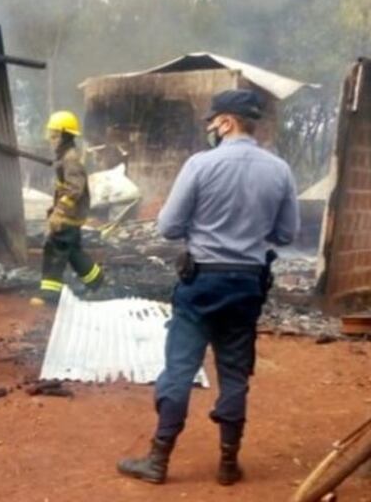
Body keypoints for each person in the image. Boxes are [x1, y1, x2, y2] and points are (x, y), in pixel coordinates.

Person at [117, 89, 299, 487]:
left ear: (228, 121)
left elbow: (168, 227)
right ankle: (229, 465)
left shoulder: (200, 165)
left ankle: (158, 460)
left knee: (180, 369)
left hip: (202, 283)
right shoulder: (280, 171)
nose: (212, 128)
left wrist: (205, 227)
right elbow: (286, 233)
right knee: (234, 373)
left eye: (214, 121)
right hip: (248, 283)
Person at [32, 110, 103, 306]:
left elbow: (74, 189)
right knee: (73, 251)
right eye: (51, 135)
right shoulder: (66, 156)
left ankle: (49, 294)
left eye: (54, 136)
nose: (51, 140)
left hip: (67, 217)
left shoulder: (70, 158)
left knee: (54, 250)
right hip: (71, 216)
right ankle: (96, 281)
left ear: (65, 136)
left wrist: (59, 213)